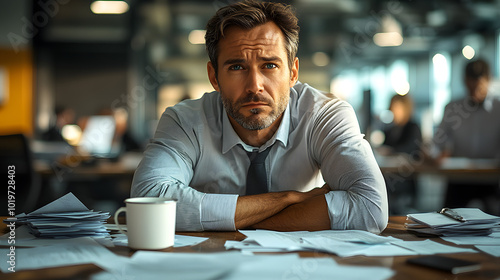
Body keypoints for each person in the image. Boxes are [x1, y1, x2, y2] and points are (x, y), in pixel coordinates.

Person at [132, 0, 388, 232]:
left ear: (293, 73)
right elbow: (148, 201)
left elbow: (370, 208)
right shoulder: (185, 121)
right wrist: (286, 199)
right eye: (236, 67)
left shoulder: (324, 115)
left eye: (269, 65)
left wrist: (239, 219)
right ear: (214, 77)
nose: (255, 85)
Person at [434, 58, 500, 214]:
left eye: (479, 84)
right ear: (464, 81)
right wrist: (436, 154)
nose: (475, 90)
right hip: (459, 178)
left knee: (495, 226)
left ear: (489, 80)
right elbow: (438, 141)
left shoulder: (498, 108)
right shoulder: (453, 108)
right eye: (471, 84)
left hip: (490, 179)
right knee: (447, 221)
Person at [380, 94, 422, 214]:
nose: (394, 111)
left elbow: (411, 148)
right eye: (392, 108)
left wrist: (391, 151)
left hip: (404, 176)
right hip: (389, 173)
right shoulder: (390, 129)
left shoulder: (413, 127)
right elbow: (383, 148)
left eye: (397, 108)